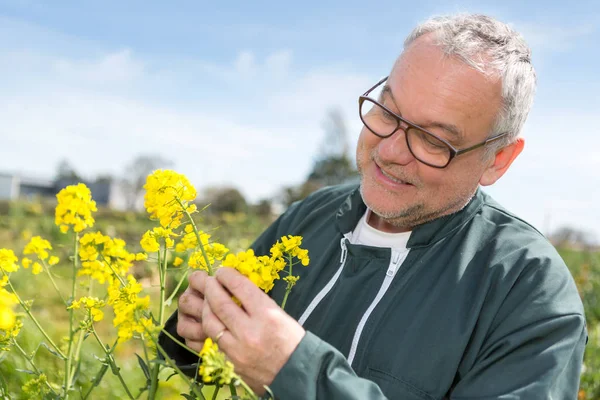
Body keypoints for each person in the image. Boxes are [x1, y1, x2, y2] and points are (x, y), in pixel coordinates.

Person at [159, 13, 587, 399]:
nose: (390, 150)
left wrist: (294, 374)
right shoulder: (312, 215)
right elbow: (209, 367)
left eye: (433, 139)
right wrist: (194, 334)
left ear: (497, 160)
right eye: (388, 110)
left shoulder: (528, 292)